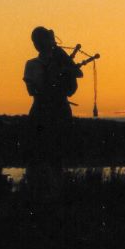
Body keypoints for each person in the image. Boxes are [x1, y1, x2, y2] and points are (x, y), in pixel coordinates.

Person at [22, 26, 81, 196]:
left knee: (57, 156)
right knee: (37, 154)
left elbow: (72, 87)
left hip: (59, 111)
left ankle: (56, 191)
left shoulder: (61, 61)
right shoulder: (32, 64)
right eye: (36, 41)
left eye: (41, 40)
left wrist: (63, 69)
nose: (38, 44)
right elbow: (33, 90)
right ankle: (36, 191)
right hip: (41, 110)